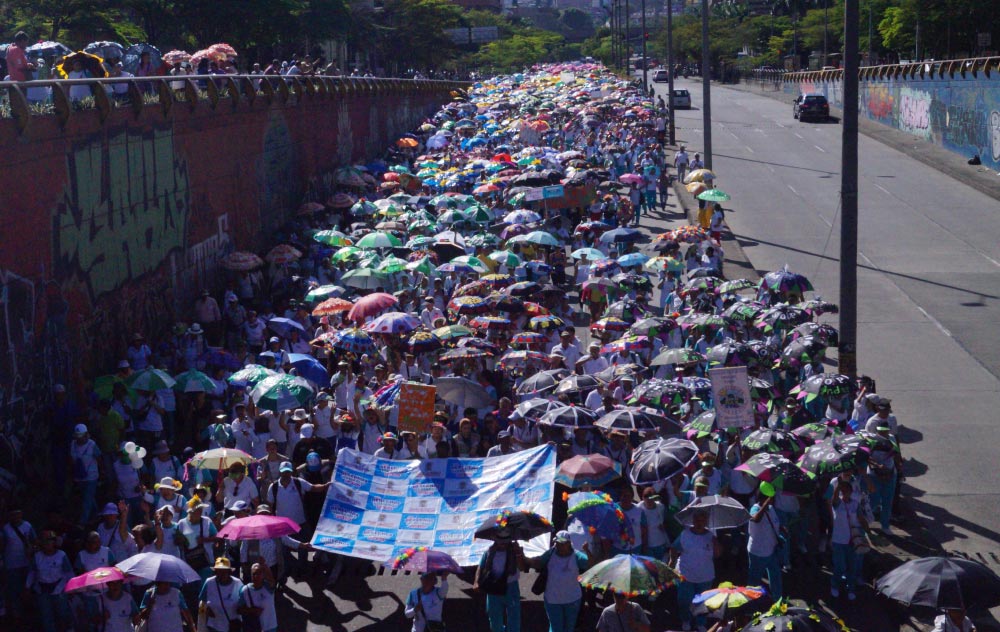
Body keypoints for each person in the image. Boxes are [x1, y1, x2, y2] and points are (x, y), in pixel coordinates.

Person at [528, 530, 589, 632]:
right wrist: (524, 558)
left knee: (569, 628)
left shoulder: (577, 556)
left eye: (562, 543)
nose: (559, 546)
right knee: (556, 628)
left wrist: (588, 551)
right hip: (552, 600)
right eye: (557, 543)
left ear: (569, 544)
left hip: (572, 600)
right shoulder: (550, 553)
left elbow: (590, 565)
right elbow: (538, 563)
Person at [669, 509, 719, 631]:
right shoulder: (685, 534)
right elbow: (674, 548)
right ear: (693, 520)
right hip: (685, 574)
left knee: (703, 601)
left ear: (706, 521)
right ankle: (686, 620)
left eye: (702, 520)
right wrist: (672, 561)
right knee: (684, 600)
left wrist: (716, 542)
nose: (699, 522)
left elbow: (718, 554)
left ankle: (700, 622)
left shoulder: (711, 536)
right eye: (697, 520)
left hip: (705, 576)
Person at [474, 538, 527, 632]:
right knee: (494, 620)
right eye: (500, 540)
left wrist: (518, 552)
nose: (502, 543)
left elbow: (522, 567)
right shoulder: (489, 551)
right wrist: (476, 582)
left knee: (514, 619)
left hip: (511, 587)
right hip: (493, 587)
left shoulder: (514, 550)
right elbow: (481, 567)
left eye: (505, 540)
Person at [829, 481, 869, 600]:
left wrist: (869, 533)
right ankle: (834, 585)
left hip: (852, 540)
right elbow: (834, 498)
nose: (845, 493)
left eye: (847, 491)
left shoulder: (855, 504)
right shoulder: (837, 504)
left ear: (851, 492)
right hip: (838, 540)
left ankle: (850, 588)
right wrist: (838, 487)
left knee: (852, 566)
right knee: (839, 566)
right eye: (843, 491)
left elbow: (861, 519)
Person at [27, 530, 74, 632]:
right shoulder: (37, 556)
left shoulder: (61, 555)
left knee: (63, 615)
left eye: (50, 540)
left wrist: (71, 589)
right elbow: (32, 573)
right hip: (42, 590)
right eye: (45, 541)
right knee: (46, 617)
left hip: (59, 589)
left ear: (54, 542)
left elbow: (69, 573)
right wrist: (27, 587)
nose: (48, 543)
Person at [747, 486, 783, 600]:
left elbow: (773, 522)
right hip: (758, 553)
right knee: (754, 581)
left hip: (771, 551)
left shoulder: (771, 508)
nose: (774, 500)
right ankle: (751, 604)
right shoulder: (755, 508)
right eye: (771, 498)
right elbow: (755, 519)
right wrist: (765, 504)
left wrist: (781, 528)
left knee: (775, 575)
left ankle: (777, 599)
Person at [199, 556, 245, 632]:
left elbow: (244, 602)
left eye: (224, 571)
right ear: (215, 572)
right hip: (214, 626)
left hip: (232, 627)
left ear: (229, 572)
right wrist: (206, 610)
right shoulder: (209, 582)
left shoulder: (238, 583)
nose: (222, 574)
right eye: (219, 571)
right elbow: (202, 602)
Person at [238, 562, 278, 632]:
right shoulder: (245, 590)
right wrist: (251, 610)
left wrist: (265, 565)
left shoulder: (268, 587)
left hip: (270, 627)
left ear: (263, 575)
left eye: (259, 573)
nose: (256, 576)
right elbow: (239, 610)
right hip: (253, 628)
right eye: (254, 574)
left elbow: (272, 580)